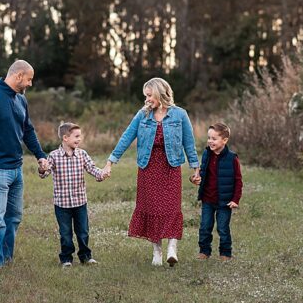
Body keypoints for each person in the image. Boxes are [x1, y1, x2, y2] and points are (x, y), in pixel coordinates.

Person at [103, 78, 200, 267]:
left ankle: (172, 247)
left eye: (149, 95)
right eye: (145, 96)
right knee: (152, 209)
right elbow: (126, 137)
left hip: (170, 167)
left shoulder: (180, 115)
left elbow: (189, 142)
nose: (147, 99)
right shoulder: (142, 115)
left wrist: (196, 168)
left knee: (171, 208)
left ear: (159, 93)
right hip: (148, 168)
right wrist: (110, 162)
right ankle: (157, 251)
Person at [0, 60, 49, 270]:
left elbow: (28, 131)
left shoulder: (21, 100)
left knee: (14, 217)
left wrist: (40, 155)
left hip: (16, 170)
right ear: (18, 76)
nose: (30, 84)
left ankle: (6, 258)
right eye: (29, 79)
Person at [38, 122, 108, 268]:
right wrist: (42, 169)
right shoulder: (54, 156)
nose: (79, 139)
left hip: (80, 202)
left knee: (83, 232)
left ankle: (85, 256)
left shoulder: (82, 154)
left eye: (79, 136)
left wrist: (101, 174)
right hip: (62, 204)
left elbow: (92, 168)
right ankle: (66, 259)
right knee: (65, 233)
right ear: (65, 138)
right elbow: (45, 173)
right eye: (76, 136)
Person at [192, 122, 243, 261]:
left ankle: (225, 254)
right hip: (208, 199)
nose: (210, 141)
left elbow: (238, 181)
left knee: (223, 229)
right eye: (209, 138)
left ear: (224, 140)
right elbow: (203, 172)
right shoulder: (207, 154)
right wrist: (195, 178)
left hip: (225, 201)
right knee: (205, 227)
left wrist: (235, 199)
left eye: (214, 139)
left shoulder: (232, 158)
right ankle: (204, 251)